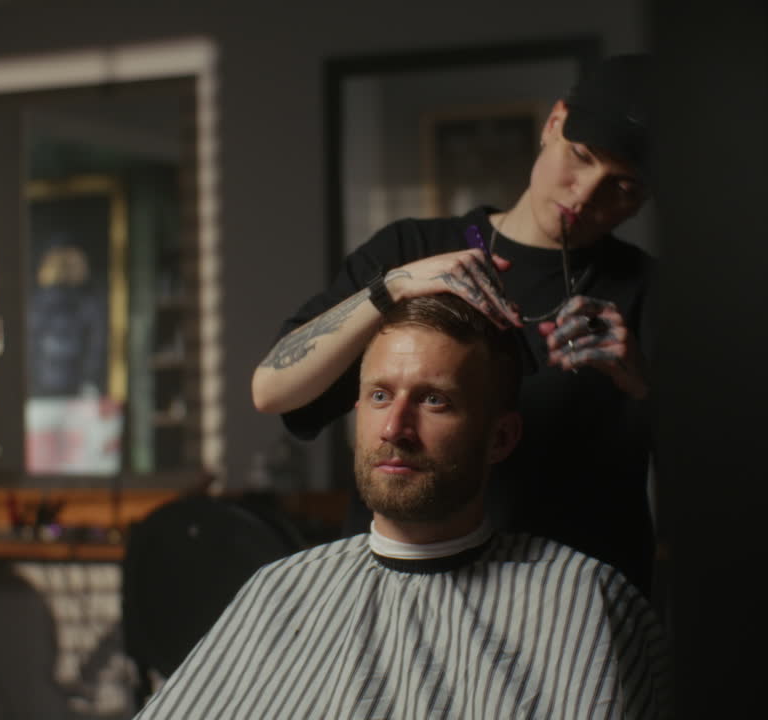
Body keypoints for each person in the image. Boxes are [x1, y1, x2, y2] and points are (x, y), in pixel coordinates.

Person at [139, 295, 671, 719]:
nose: (395, 428)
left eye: (434, 400)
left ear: (500, 438)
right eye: (379, 396)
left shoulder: (586, 600)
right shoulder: (279, 590)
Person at [251, 54, 658, 593]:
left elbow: (730, 479)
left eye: (622, 188)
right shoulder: (409, 250)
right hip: (403, 597)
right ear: (554, 123)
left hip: (574, 611)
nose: (585, 195)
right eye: (580, 157)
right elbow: (272, 389)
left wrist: (642, 382)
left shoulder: (650, 292)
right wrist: (390, 287)